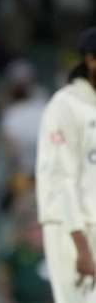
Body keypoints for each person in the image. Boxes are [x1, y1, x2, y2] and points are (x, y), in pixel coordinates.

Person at [36, 26, 96, 302]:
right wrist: (81, 247)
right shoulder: (66, 104)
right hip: (70, 229)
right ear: (90, 60)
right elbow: (60, 178)